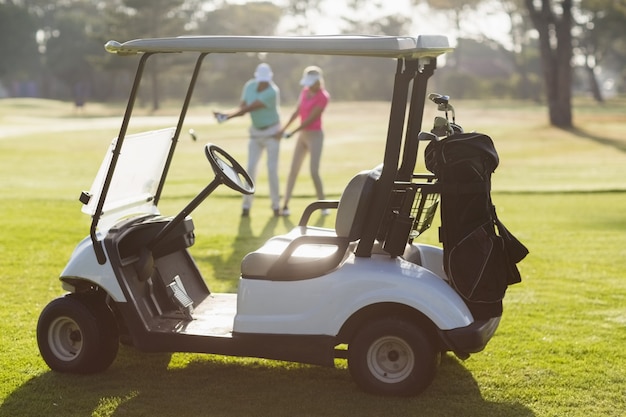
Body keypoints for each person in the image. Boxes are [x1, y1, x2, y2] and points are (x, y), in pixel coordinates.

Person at [213, 63, 282, 217]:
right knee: (250, 169)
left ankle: (276, 207)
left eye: (265, 80)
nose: (263, 82)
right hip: (255, 133)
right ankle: (246, 207)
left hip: (272, 133)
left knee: (272, 170)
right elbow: (242, 108)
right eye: (261, 80)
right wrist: (225, 114)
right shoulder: (250, 86)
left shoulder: (272, 91)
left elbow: (249, 108)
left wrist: (225, 116)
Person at [279, 66, 330, 217]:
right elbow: (297, 111)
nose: (308, 85)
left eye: (311, 82)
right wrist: (283, 129)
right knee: (293, 170)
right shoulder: (305, 92)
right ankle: (285, 205)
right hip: (302, 136)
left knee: (314, 171)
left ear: (318, 81)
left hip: (315, 136)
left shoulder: (323, 96)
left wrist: (292, 132)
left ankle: (323, 206)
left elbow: (310, 119)